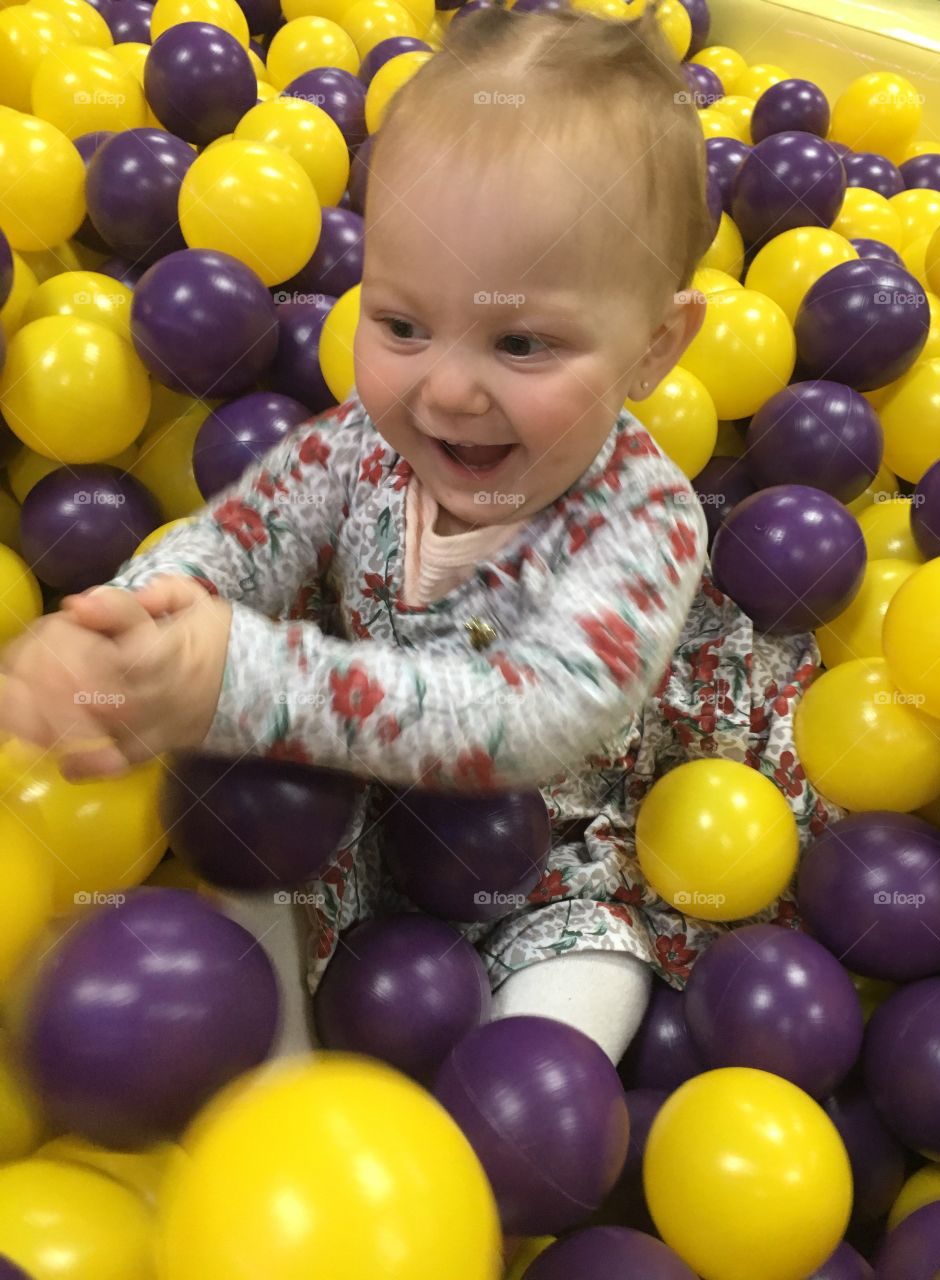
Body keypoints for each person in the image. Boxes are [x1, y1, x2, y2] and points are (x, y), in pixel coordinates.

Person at [0, 6, 837, 1070]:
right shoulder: (358, 443)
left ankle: (475, 1164)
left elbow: (530, 715)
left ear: (655, 349)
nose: (446, 389)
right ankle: (283, 1098)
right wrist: (136, 621)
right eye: (400, 324)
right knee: (241, 843)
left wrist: (246, 677)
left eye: (521, 341)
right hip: (353, 807)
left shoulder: (646, 516)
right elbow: (240, 538)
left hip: (558, 848)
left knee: (587, 988)